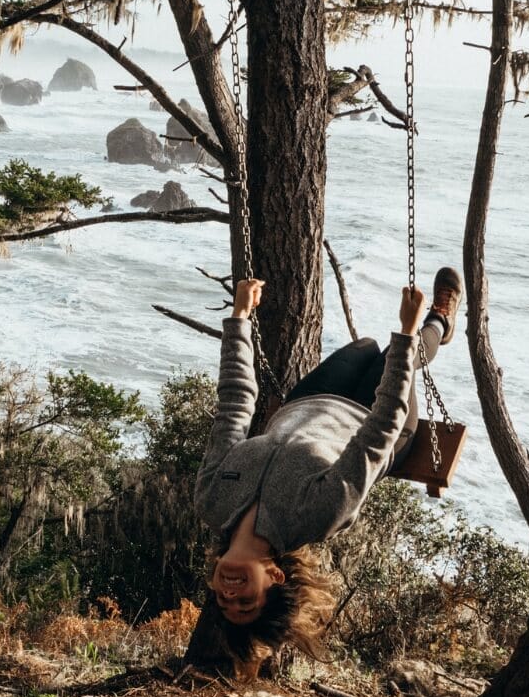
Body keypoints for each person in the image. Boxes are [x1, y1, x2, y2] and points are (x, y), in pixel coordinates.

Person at [195, 268, 463, 676]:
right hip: (376, 420)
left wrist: (239, 319)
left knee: (365, 346)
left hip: (309, 402)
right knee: (396, 353)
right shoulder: (316, 516)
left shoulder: (212, 501)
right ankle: (439, 325)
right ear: (275, 576)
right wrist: (408, 333)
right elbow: (380, 429)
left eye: (223, 601)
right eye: (246, 603)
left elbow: (232, 406)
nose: (231, 595)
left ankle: (418, 337)